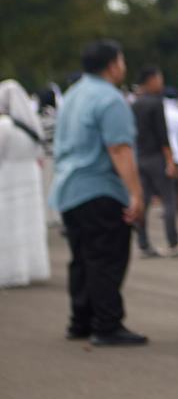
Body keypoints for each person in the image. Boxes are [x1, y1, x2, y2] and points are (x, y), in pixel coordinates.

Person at [49, 40, 148, 346]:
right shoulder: (110, 99)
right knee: (106, 257)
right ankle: (107, 323)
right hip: (99, 187)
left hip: (68, 187)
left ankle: (80, 320)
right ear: (112, 65)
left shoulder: (73, 94)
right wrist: (135, 193)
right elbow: (118, 148)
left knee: (82, 257)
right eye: (121, 60)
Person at [131, 67, 178, 258]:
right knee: (169, 199)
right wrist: (170, 159)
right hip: (157, 157)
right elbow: (162, 134)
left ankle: (143, 242)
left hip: (140, 156)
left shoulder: (135, 103)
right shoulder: (156, 103)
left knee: (145, 200)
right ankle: (173, 242)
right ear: (151, 80)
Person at [0, 80, 50, 288]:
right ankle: (30, 268)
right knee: (28, 225)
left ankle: (9, 270)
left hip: (8, 178)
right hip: (29, 179)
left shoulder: (5, 126)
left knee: (8, 225)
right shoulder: (32, 128)